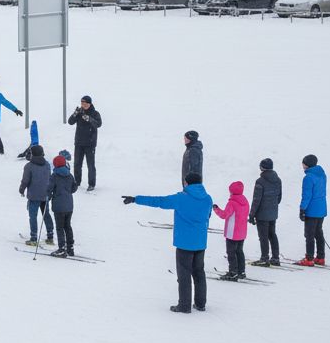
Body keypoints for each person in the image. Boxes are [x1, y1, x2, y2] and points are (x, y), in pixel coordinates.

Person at [123, 172, 213, 313]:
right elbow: (208, 216)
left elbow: (159, 201)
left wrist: (135, 199)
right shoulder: (207, 199)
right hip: (200, 243)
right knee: (199, 273)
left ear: (187, 183)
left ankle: (184, 305)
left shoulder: (181, 198)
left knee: (184, 275)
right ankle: (201, 304)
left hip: (184, 243)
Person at [212, 180, 250, 280]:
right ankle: (241, 271)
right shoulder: (245, 201)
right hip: (242, 232)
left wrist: (216, 209)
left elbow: (224, 215)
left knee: (231, 252)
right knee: (239, 251)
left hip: (232, 233)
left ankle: (233, 272)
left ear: (232, 192)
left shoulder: (232, 203)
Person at [19, 144, 54, 245]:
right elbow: (49, 178)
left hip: (34, 196)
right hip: (45, 195)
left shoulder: (29, 166)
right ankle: (50, 236)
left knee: (33, 216)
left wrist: (21, 190)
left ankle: (34, 238)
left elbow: (25, 180)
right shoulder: (47, 165)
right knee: (46, 215)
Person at [250, 158, 282, 267]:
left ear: (262, 167)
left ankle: (264, 258)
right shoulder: (278, 180)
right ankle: (275, 257)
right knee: (272, 234)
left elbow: (256, 200)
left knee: (263, 236)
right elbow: (279, 197)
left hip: (262, 214)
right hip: (273, 213)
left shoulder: (260, 181)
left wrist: (252, 214)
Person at [297, 154, 328, 266]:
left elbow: (307, 195)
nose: (302, 165)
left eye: (304, 163)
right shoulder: (322, 175)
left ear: (308, 164)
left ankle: (309, 258)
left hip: (312, 209)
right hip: (322, 209)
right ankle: (320, 257)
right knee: (318, 233)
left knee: (309, 234)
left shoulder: (308, 178)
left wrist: (302, 209)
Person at [67, 95, 102, 190]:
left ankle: (91, 184)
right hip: (79, 143)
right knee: (77, 164)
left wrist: (89, 119)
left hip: (90, 144)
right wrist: (75, 113)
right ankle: (77, 182)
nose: (83, 105)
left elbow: (99, 124)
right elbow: (70, 122)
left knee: (90, 165)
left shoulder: (95, 113)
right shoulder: (79, 112)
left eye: (85, 103)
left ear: (89, 103)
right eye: (82, 103)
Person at [48, 152, 77, 257]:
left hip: (58, 207)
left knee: (60, 227)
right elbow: (74, 188)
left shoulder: (54, 176)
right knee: (67, 226)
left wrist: (49, 196)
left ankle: (62, 249)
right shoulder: (69, 175)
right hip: (69, 206)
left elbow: (49, 189)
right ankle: (70, 248)